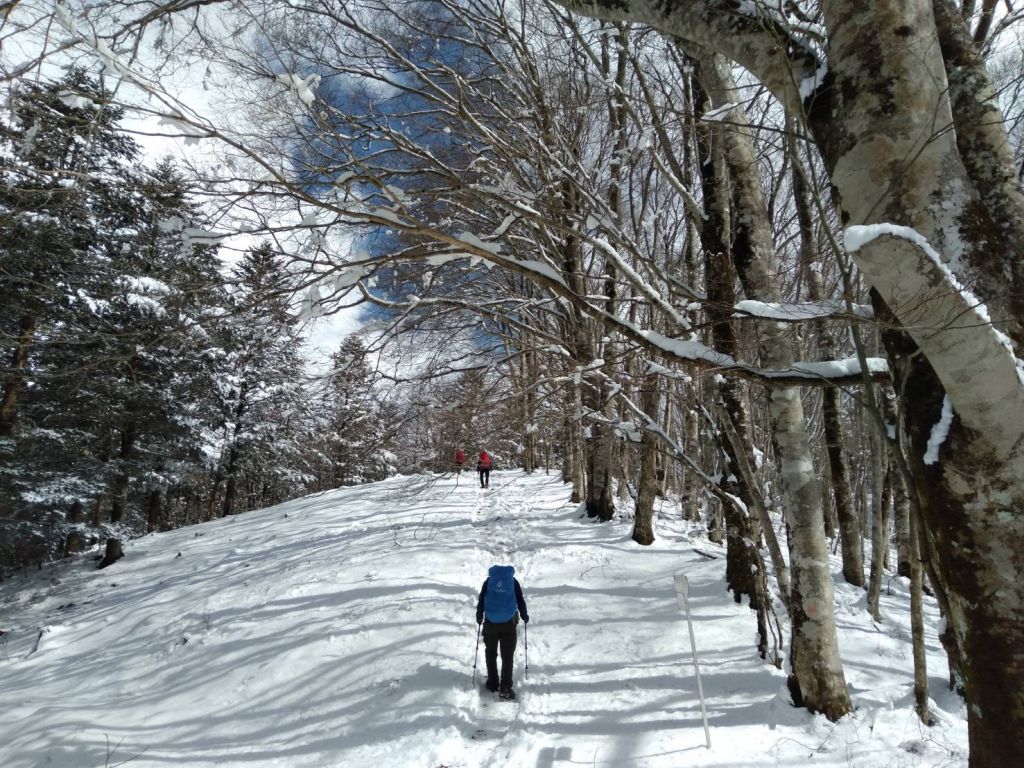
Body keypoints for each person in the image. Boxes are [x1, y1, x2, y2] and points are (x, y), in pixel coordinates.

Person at [476, 564, 529, 700]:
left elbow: (481, 599)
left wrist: (479, 615)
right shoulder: (513, 582)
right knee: (507, 656)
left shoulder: (488, 582)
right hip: (508, 623)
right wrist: (524, 615)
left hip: (490, 623)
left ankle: (493, 683)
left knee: (491, 652)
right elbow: (520, 599)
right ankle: (505, 688)